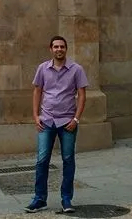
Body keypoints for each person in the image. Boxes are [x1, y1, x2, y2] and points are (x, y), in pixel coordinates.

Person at [25, 35, 87, 214]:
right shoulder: (42, 69)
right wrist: (36, 116)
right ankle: (39, 199)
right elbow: (37, 91)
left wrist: (76, 119)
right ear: (50, 49)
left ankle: (66, 199)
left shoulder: (76, 69)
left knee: (68, 160)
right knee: (42, 160)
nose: (59, 49)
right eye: (56, 47)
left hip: (68, 122)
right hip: (47, 121)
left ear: (66, 49)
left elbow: (82, 95)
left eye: (62, 47)